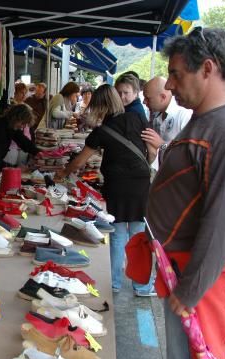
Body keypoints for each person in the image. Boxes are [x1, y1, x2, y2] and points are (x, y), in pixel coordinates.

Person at [146, 27, 225, 359]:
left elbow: (223, 221)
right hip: (181, 266)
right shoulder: (205, 120)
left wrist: (191, 288)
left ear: (208, 69)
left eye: (177, 74)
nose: (170, 83)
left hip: (198, 275)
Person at [54, 84, 157, 295]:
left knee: (117, 233)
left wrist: (63, 173)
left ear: (99, 106)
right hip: (140, 182)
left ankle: (115, 283)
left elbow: (79, 161)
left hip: (117, 184)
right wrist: (144, 166)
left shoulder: (102, 131)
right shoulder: (137, 118)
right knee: (138, 235)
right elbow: (152, 150)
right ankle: (142, 286)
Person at [141, 76, 192, 170]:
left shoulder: (184, 115)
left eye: (148, 98)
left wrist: (162, 145)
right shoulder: (156, 117)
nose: (144, 102)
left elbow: (188, 156)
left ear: (163, 97)